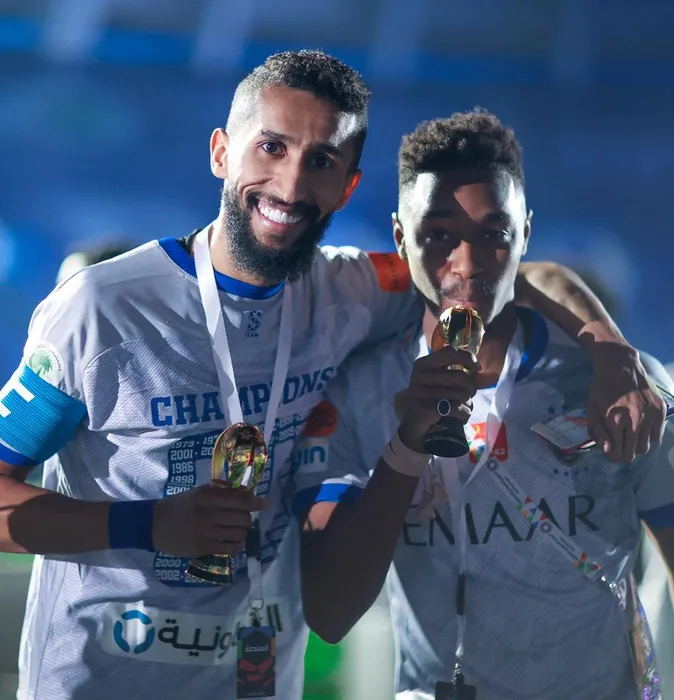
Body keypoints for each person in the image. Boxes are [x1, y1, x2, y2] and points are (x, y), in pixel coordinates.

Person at [0, 51, 661, 698]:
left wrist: (609, 351)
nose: (291, 186)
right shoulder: (100, 309)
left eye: (321, 161)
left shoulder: (351, 288)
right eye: (272, 148)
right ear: (221, 152)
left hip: (258, 684)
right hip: (99, 682)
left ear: (347, 185)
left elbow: (499, 274)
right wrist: (144, 526)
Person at [295, 109, 674, 699]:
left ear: (525, 235)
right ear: (400, 238)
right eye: (437, 235)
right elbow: (330, 613)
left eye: (494, 235)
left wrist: (613, 355)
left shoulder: (620, 386)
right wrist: (406, 447)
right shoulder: (357, 393)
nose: (467, 265)